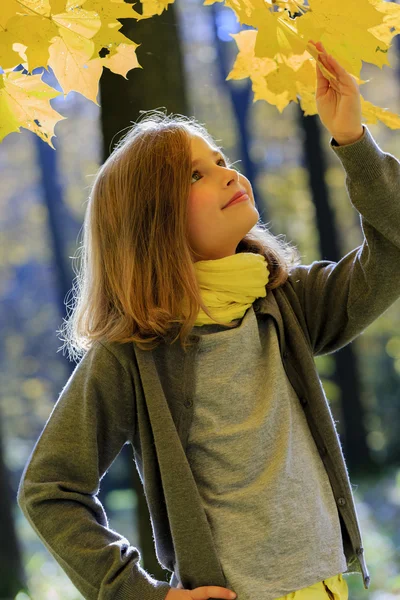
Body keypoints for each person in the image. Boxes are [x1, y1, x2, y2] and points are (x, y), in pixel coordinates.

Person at [17, 40, 398, 599]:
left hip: (328, 587)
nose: (224, 173)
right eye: (194, 175)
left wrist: (353, 141)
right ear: (154, 225)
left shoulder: (288, 301)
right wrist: (141, 594)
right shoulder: (132, 351)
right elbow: (50, 488)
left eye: (219, 160)